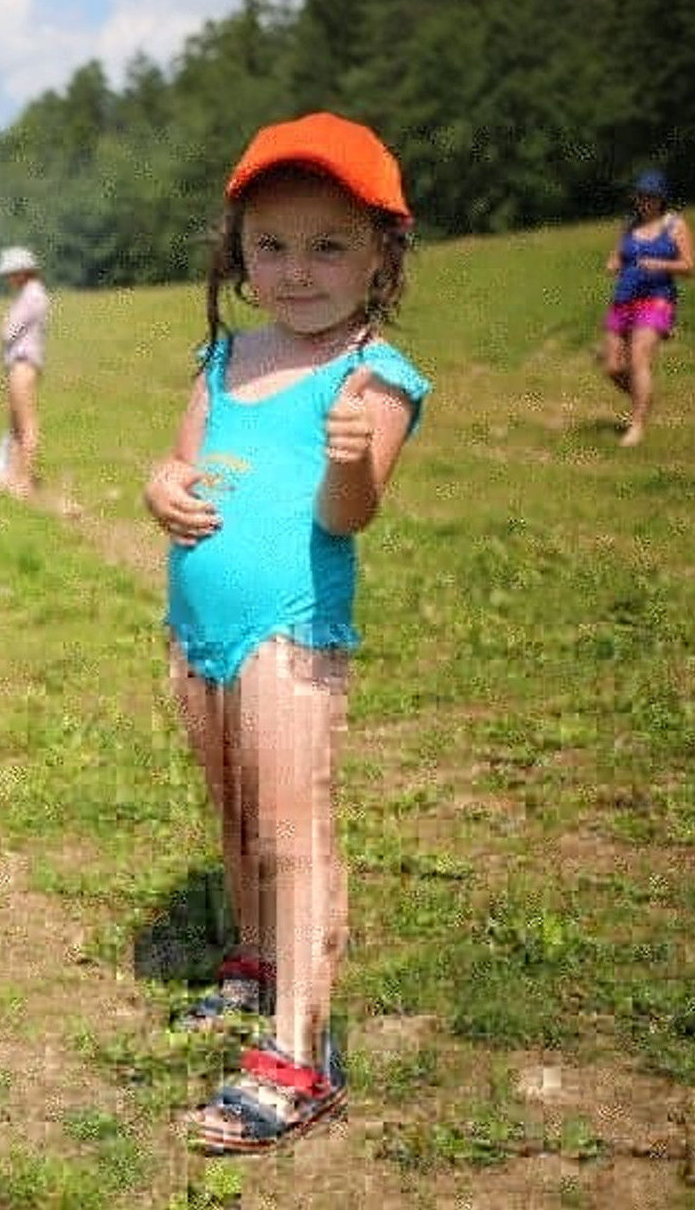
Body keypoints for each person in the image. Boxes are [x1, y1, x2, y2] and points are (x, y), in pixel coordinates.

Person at [141, 112, 430, 1154]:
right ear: (237, 254)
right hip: (199, 628)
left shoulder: (370, 373)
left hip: (287, 627)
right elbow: (183, 465)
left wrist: (351, 456)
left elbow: (348, 514)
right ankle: (256, 959)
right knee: (233, 810)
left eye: (327, 246)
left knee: (289, 824)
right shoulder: (226, 355)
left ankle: (299, 1051)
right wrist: (159, 487)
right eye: (271, 245)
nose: (295, 271)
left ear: (378, 255)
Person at [601, 170, 695, 447]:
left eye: (650, 197)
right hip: (623, 299)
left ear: (661, 199)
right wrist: (613, 264)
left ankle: (637, 425)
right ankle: (643, 401)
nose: (645, 202)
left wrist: (660, 264)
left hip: (657, 300)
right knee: (612, 367)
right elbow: (616, 258)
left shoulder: (675, 226)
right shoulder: (629, 226)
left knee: (639, 359)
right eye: (641, 197)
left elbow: (689, 265)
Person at [0, 246, 48, 499]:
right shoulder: (28, 294)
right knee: (15, 422)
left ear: (23, 272)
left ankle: (24, 479)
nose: (8, 279)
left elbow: (8, 332)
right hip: (19, 363)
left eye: (11, 273)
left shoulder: (32, 296)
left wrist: (4, 323)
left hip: (23, 362)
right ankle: (12, 475)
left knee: (26, 423)